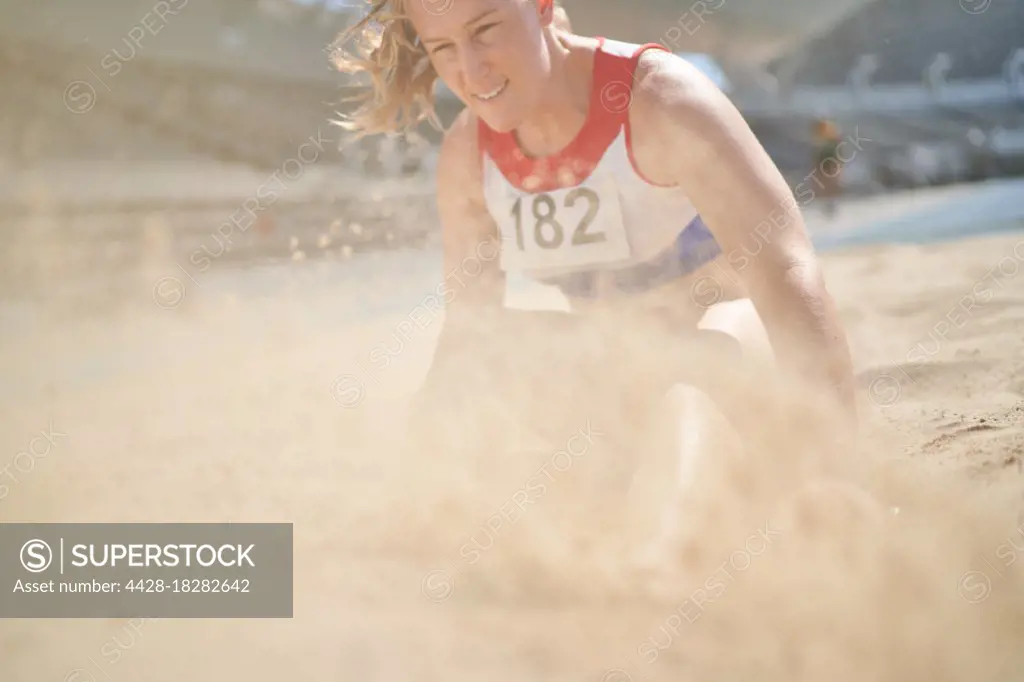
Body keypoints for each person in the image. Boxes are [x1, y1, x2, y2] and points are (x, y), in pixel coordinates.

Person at [333, 0, 857, 529]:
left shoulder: (660, 100)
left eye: (486, 30)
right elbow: (470, 332)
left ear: (540, 7)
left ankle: (669, 542)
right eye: (443, 48)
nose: (470, 72)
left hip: (734, 351)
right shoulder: (468, 157)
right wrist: (422, 465)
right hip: (619, 371)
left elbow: (786, 269)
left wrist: (836, 467)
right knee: (479, 367)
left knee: (691, 376)